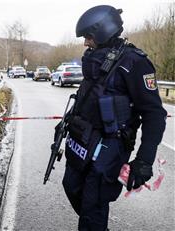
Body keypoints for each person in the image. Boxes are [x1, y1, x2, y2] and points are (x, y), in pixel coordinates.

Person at [61, 5, 167, 231]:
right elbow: (86, 98)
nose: (85, 43)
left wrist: (144, 159)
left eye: (88, 37)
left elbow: (155, 114)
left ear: (103, 31)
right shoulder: (94, 59)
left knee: (93, 205)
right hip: (83, 139)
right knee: (71, 186)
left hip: (111, 145)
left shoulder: (134, 62)